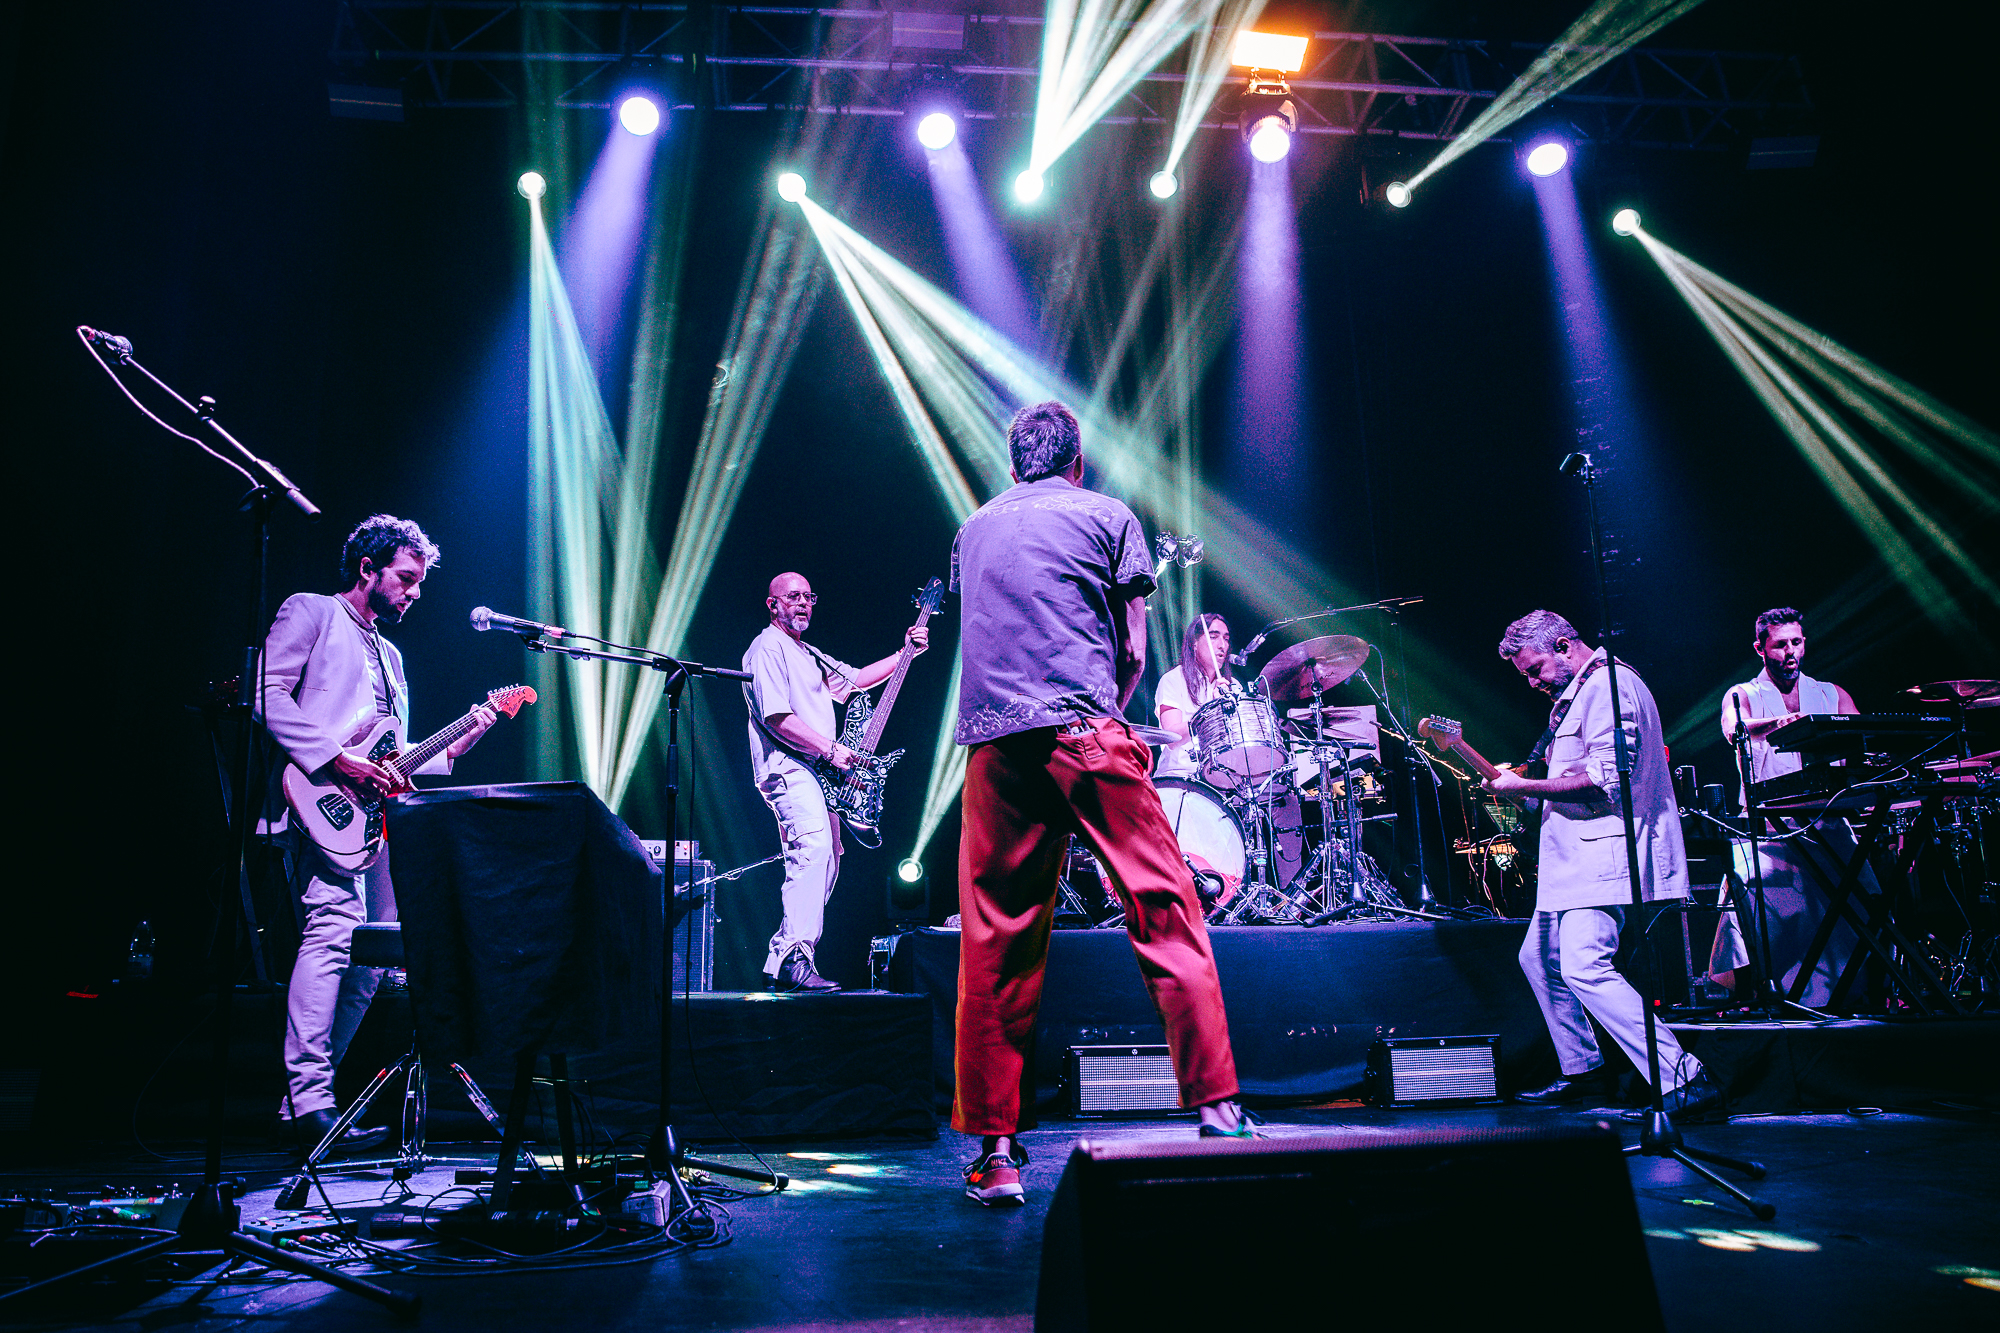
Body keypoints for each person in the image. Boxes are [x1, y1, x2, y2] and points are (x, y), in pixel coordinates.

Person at [950, 401, 1253, 1209]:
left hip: (993, 750)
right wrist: (1105, 719)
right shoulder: (1108, 514)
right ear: (1076, 461)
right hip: (1085, 732)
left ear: (1014, 465)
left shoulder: (972, 529)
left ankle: (996, 1156)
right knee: (1166, 903)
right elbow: (1133, 648)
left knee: (995, 942)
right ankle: (1218, 1110)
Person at [259, 514, 497, 1151]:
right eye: (405, 578)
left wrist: (453, 748)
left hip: (378, 818)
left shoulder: (391, 656)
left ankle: (301, 1106)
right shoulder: (312, 612)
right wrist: (334, 759)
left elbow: (389, 756)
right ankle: (309, 1101)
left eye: (419, 583)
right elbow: (266, 692)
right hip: (319, 799)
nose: (414, 593)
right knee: (332, 933)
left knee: (375, 960)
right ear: (368, 568)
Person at [1486, 610, 1722, 1119]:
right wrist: (1523, 786)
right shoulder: (1577, 695)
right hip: (1574, 858)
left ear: (1564, 646)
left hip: (1605, 851)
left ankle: (1686, 1078)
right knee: (1539, 959)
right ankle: (1585, 1071)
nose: (1532, 683)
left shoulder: (1609, 687)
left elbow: (1606, 779)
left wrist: (1525, 785)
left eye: (1535, 669)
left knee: (1584, 966)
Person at [743, 572, 928, 993]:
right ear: (773, 604)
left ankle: (785, 957)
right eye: (793, 596)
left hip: (817, 770)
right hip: (789, 765)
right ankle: (793, 957)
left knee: (829, 857)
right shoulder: (767, 648)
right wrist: (830, 749)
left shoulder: (807, 652)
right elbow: (777, 717)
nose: (803, 603)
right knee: (813, 848)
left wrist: (905, 654)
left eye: (809, 597)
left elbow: (857, 680)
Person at [1708, 607, 1861, 1005]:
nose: (1790, 652)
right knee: (1746, 910)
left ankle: (1855, 996)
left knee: (1861, 902)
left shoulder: (1831, 693)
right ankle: (1756, 999)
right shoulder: (1743, 694)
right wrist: (1783, 724)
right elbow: (1734, 729)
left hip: (1827, 820)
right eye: (1779, 645)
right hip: (1768, 829)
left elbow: (1861, 740)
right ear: (1760, 648)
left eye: (1796, 642)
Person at [1153, 614, 1237, 778]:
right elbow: (1172, 739)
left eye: (1226, 639)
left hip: (1221, 779)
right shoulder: (1173, 679)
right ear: (1194, 643)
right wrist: (1210, 711)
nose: (1222, 645)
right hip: (1179, 777)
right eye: (1213, 637)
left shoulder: (1233, 687)